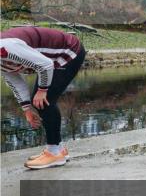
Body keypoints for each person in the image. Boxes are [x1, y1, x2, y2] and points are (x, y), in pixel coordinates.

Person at [1, 26, 85, 169]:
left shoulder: (4, 49)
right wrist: (26, 109)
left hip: (69, 51)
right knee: (39, 100)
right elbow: (15, 81)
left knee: (44, 101)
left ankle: (54, 154)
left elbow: (45, 65)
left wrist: (42, 90)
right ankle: (58, 150)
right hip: (53, 59)